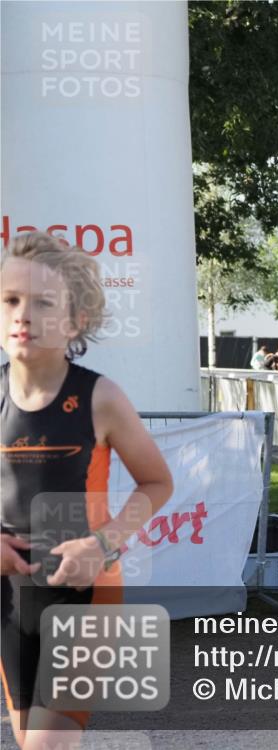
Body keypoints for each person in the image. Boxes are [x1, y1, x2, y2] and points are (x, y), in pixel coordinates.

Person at [1, 233, 173, 749]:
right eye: (11, 300)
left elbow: (157, 481)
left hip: (86, 593)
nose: (22, 315)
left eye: (43, 303)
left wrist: (102, 544)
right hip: (9, 595)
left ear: (76, 322)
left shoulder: (101, 397)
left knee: (46, 747)